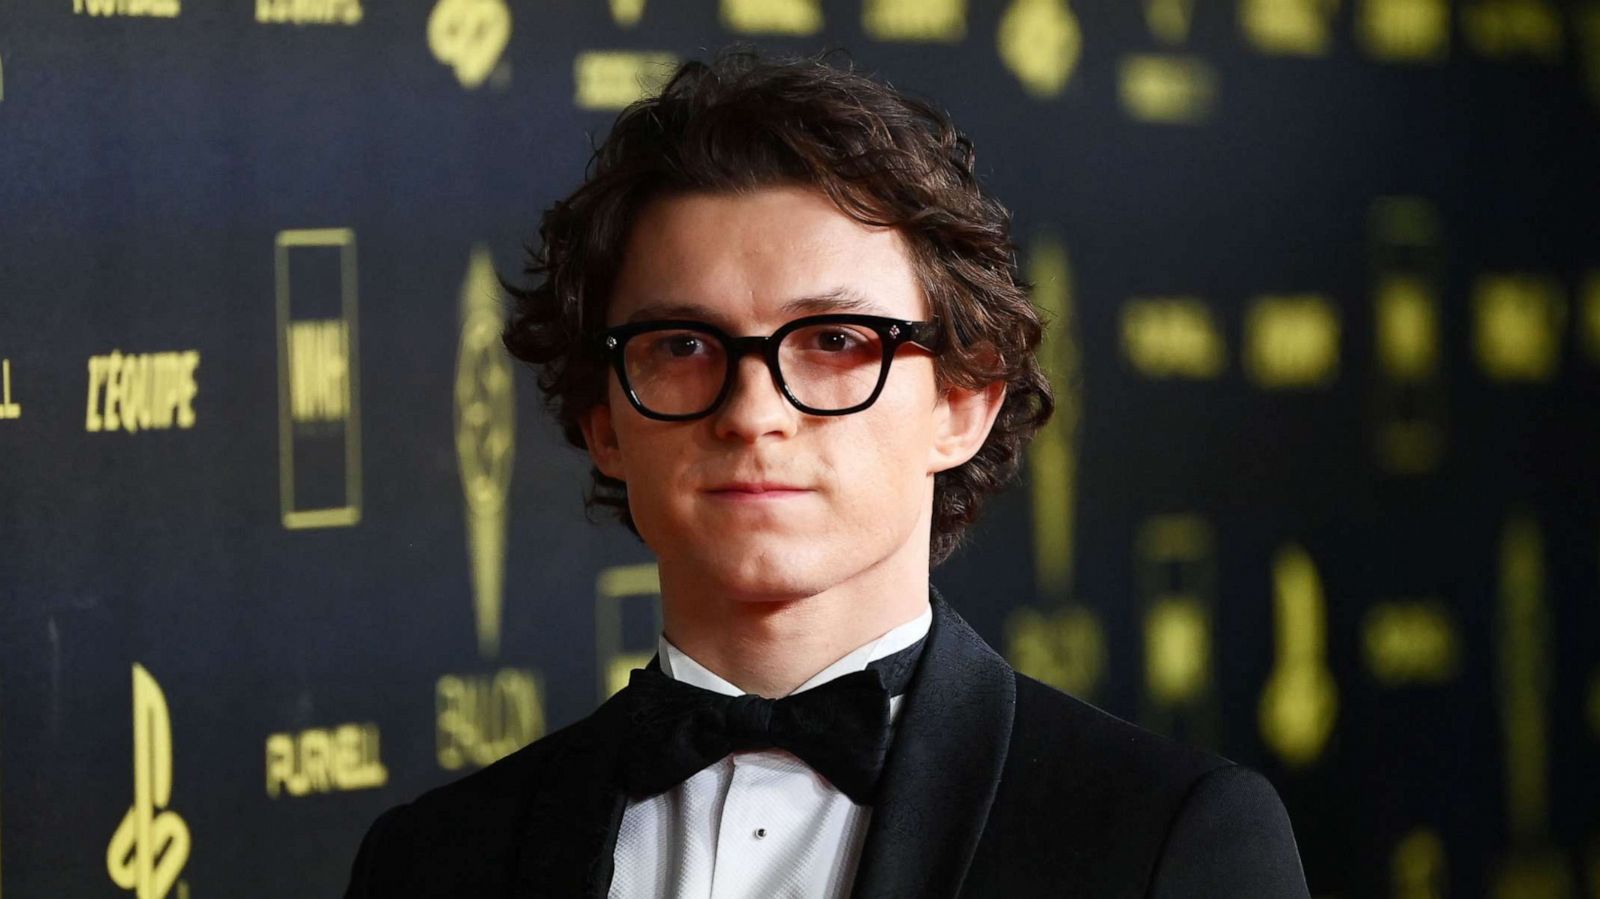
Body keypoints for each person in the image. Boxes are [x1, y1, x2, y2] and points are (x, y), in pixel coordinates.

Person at [344, 48, 1311, 899]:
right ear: (604, 422)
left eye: (836, 339)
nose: (753, 409)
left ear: (964, 403)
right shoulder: (434, 861)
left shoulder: (1165, 840)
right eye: (682, 343)